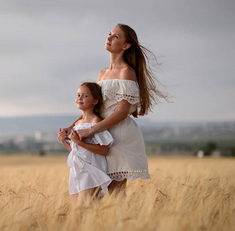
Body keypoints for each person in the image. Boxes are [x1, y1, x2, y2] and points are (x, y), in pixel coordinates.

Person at [63, 23, 167, 195]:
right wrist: (72, 127)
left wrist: (90, 130)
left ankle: (121, 222)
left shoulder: (126, 72)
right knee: (96, 190)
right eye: (109, 34)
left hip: (119, 136)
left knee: (115, 191)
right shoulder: (102, 74)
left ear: (126, 46)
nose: (109, 38)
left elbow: (122, 112)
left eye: (115, 36)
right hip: (101, 134)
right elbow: (93, 108)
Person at [58, 82, 114, 204]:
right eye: (78, 95)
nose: (80, 98)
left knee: (83, 209)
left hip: (92, 172)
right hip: (77, 172)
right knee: (81, 213)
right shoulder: (77, 124)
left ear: (95, 101)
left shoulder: (96, 122)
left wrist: (79, 142)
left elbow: (103, 150)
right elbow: (77, 153)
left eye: (85, 96)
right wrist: (64, 142)